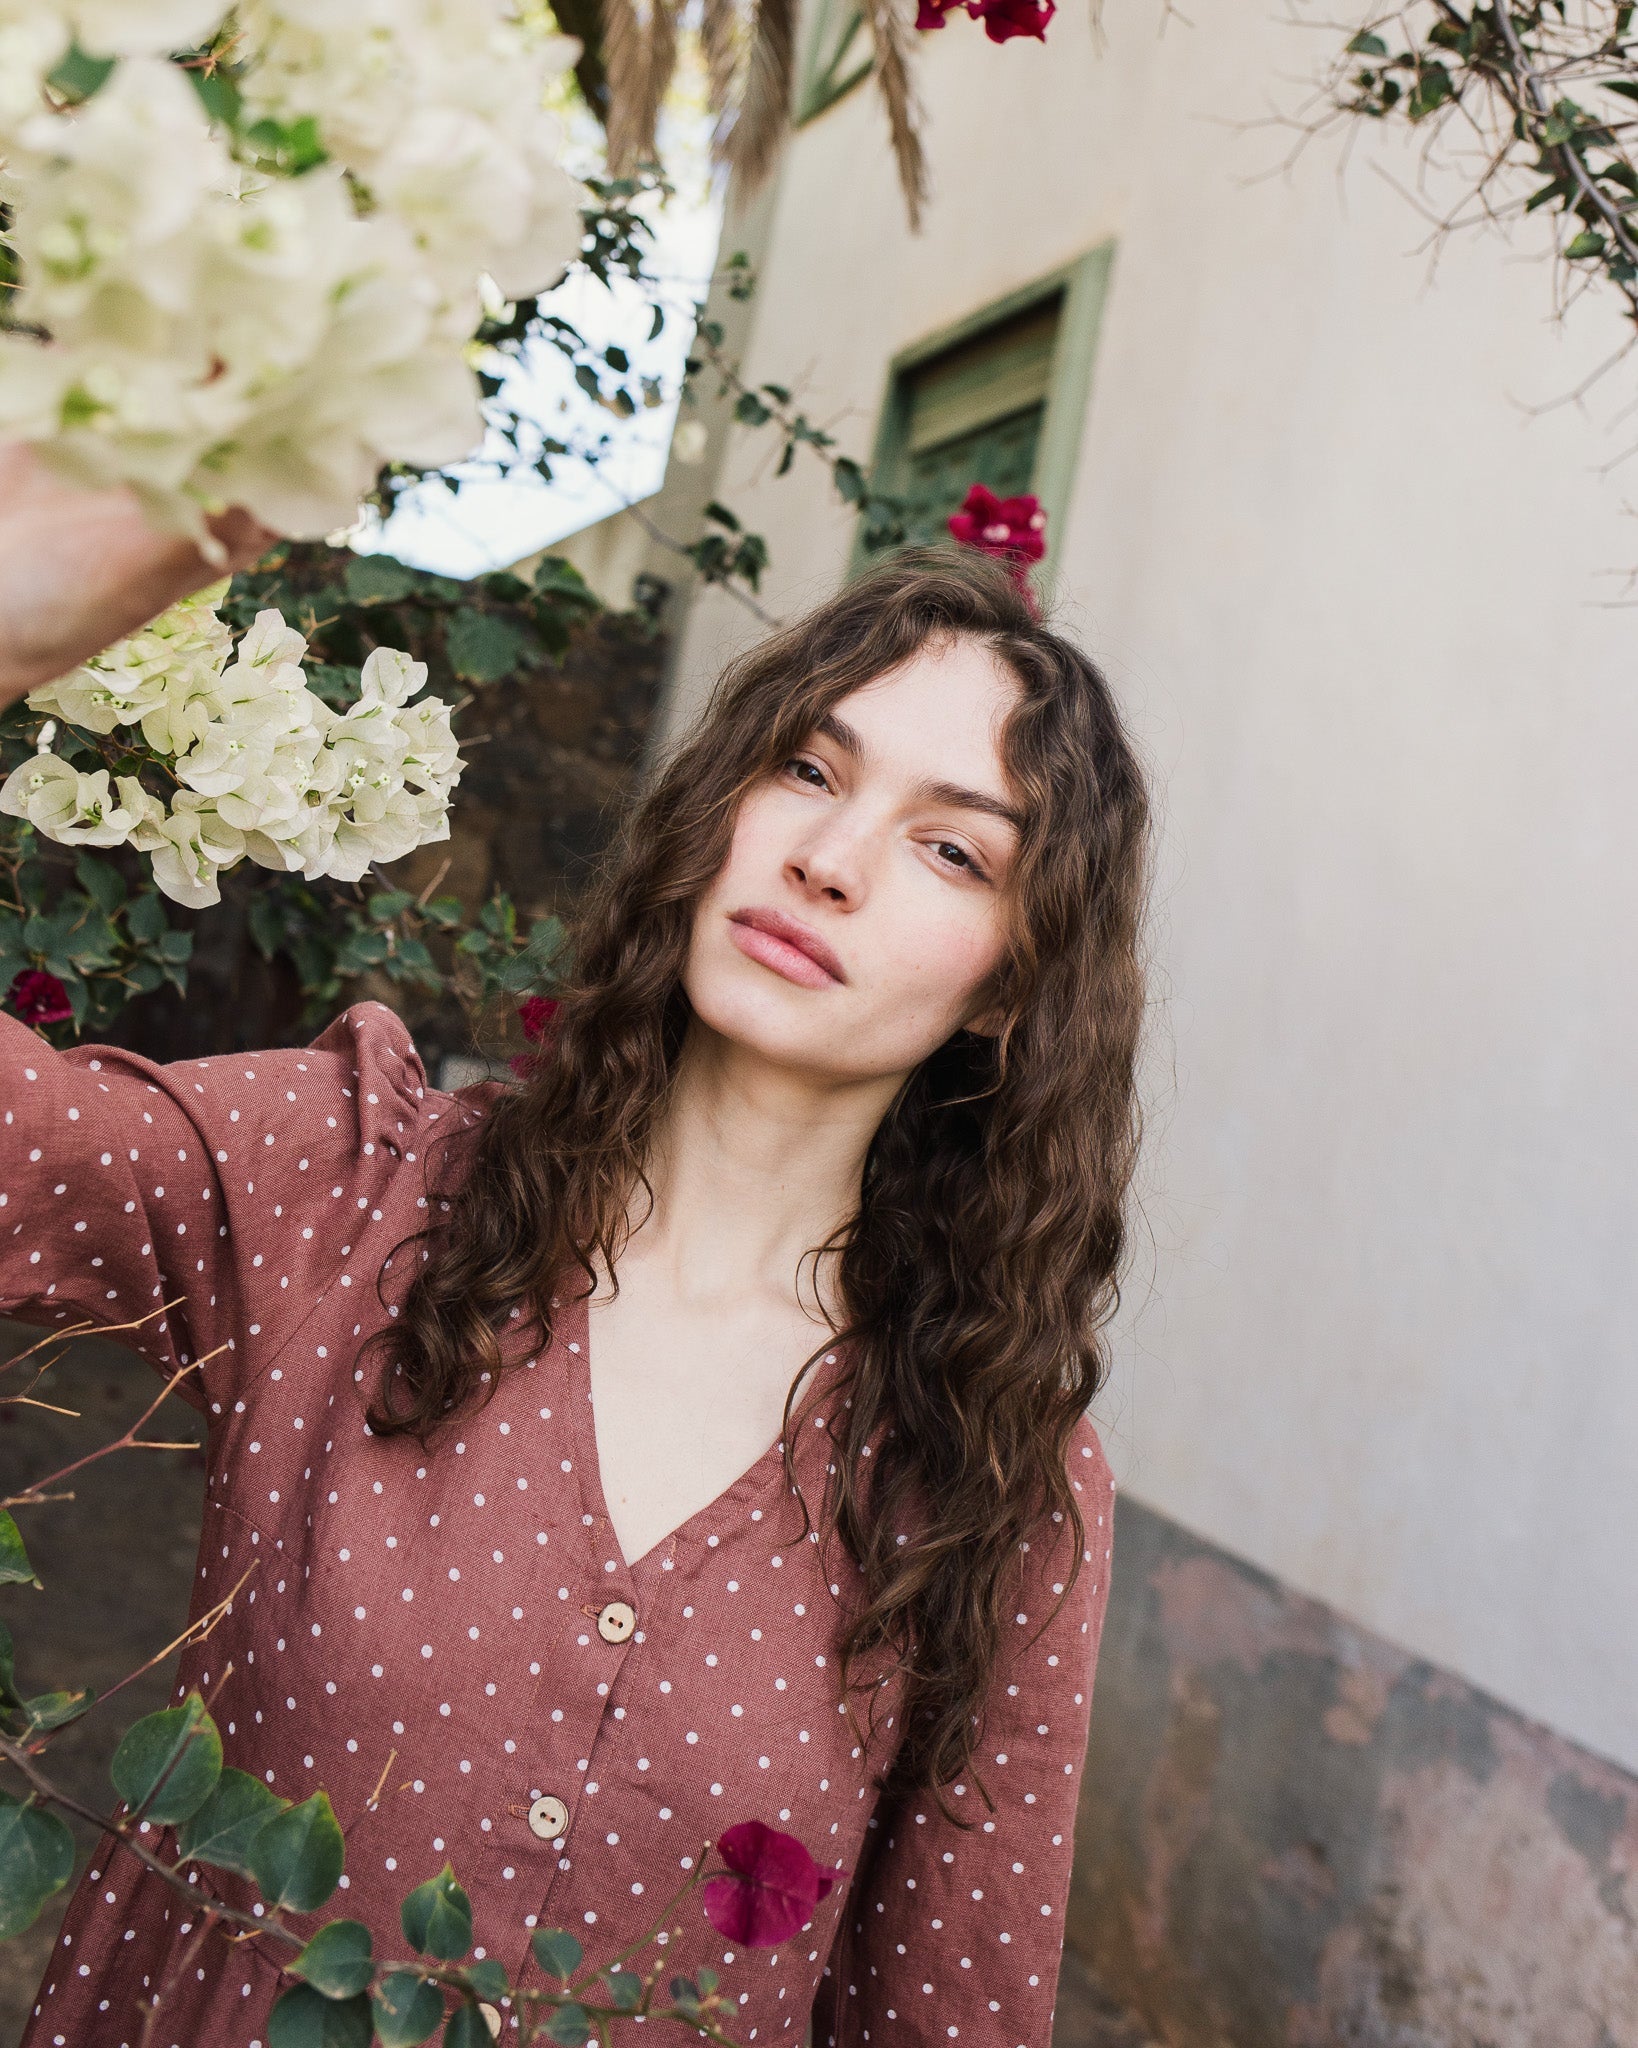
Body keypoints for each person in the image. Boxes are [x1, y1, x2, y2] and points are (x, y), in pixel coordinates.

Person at [0, 501, 1149, 2048]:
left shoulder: (993, 1479)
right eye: (806, 771)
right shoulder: (352, 1189)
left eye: (949, 848)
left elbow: (945, 2013)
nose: (827, 861)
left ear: (1015, 983)